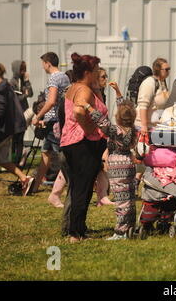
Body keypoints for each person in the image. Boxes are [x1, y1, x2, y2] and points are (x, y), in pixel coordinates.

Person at [60, 53, 107, 242]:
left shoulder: (74, 87)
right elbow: (79, 110)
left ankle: (78, 228)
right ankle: (75, 233)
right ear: (87, 72)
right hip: (83, 144)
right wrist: (89, 128)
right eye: (95, 71)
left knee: (79, 188)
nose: (97, 74)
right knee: (83, 189)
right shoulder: (84, 90)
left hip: (71, 142)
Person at [48, 69, 112, 208]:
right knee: (75, 180)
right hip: (76, 141)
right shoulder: (81, 93)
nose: (105, 79)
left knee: (93, 170)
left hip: (87, 139)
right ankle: (56, 196)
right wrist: (89, 129)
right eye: (101, 76)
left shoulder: (96, 93)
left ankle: (102, 195)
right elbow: (76, 113)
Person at [81, 82, 137, 240]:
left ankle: (121, 232)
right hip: (129, 163)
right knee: (130, 197)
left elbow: (101, 121)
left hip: (117, 166)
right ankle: (131, 226)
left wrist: (87, 107)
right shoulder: (133, 129)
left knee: (120, 200)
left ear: (118, 118)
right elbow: (126, 110)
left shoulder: (115, 130)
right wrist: (118, 93)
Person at [0, 63, 34, 197]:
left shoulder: (0, 89)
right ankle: (25, 179)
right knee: (2, 160)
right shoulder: (7, 85)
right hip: (10, 130)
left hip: (2, 131)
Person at [31, 52, 70, 193]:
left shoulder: (54, 78)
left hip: (53, 122)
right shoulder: (65, 77)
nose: (43, 67)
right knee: (45, 154)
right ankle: (35, 186)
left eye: (43, 64)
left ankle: (71, 185)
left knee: (62, 157)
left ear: (48, 63)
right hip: (59, 119)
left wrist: (38, 116)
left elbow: (51, 101)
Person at [9, 60, 33, 167]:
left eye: (24, 69)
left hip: (23, 112)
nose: (23, 72)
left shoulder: (23, 81)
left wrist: (27, 82)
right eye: (21, 69)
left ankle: (18, 161)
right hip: (15, 114)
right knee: (15, 138)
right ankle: (13, 160)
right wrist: (24, 95)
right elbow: (15, 99)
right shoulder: (12, 82)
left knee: (20, 137)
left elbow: (30, 93)